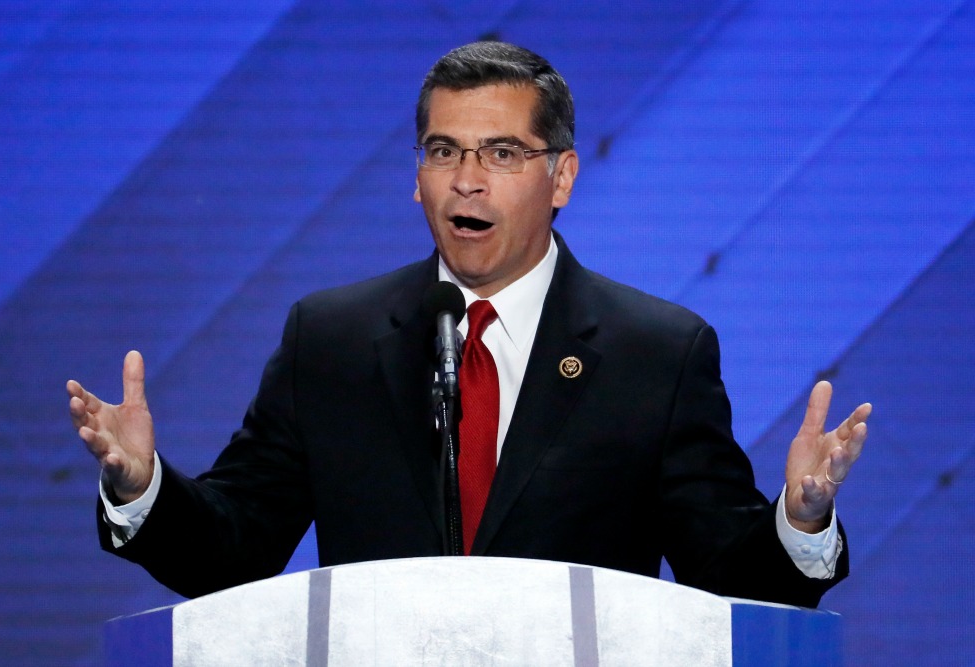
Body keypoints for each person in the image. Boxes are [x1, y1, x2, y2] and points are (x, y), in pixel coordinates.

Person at [67, 41, 870, 605]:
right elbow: (233, 551)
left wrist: (799, 519)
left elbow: (726, 575)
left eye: (502, 153)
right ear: (417, 176)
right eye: (443, 151)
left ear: (562, 178)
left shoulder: (656, 352)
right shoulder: (333, 340)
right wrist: (143, 487)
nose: (467, 181)